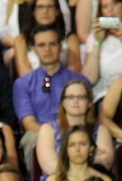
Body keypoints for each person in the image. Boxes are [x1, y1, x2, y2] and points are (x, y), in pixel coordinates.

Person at [12, 25, 89, 171]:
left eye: (52, 44)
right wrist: (52, 135)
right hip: (39, 133)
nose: (47, 49)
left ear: (60, 47)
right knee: (32, 139)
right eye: (41, 45)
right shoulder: (22, 83)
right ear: (34, 50)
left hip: (74, 131)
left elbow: (88, 117)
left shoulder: (79, 81)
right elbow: (29, 123)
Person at [12, 0, 81, 78]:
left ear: (57, 12)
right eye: (40, 7)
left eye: (50, 7)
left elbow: (73, 72)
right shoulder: (21, 40)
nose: (45, 11)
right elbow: (24, 74)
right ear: (33, 12)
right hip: (33, 88)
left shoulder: (70, 38)